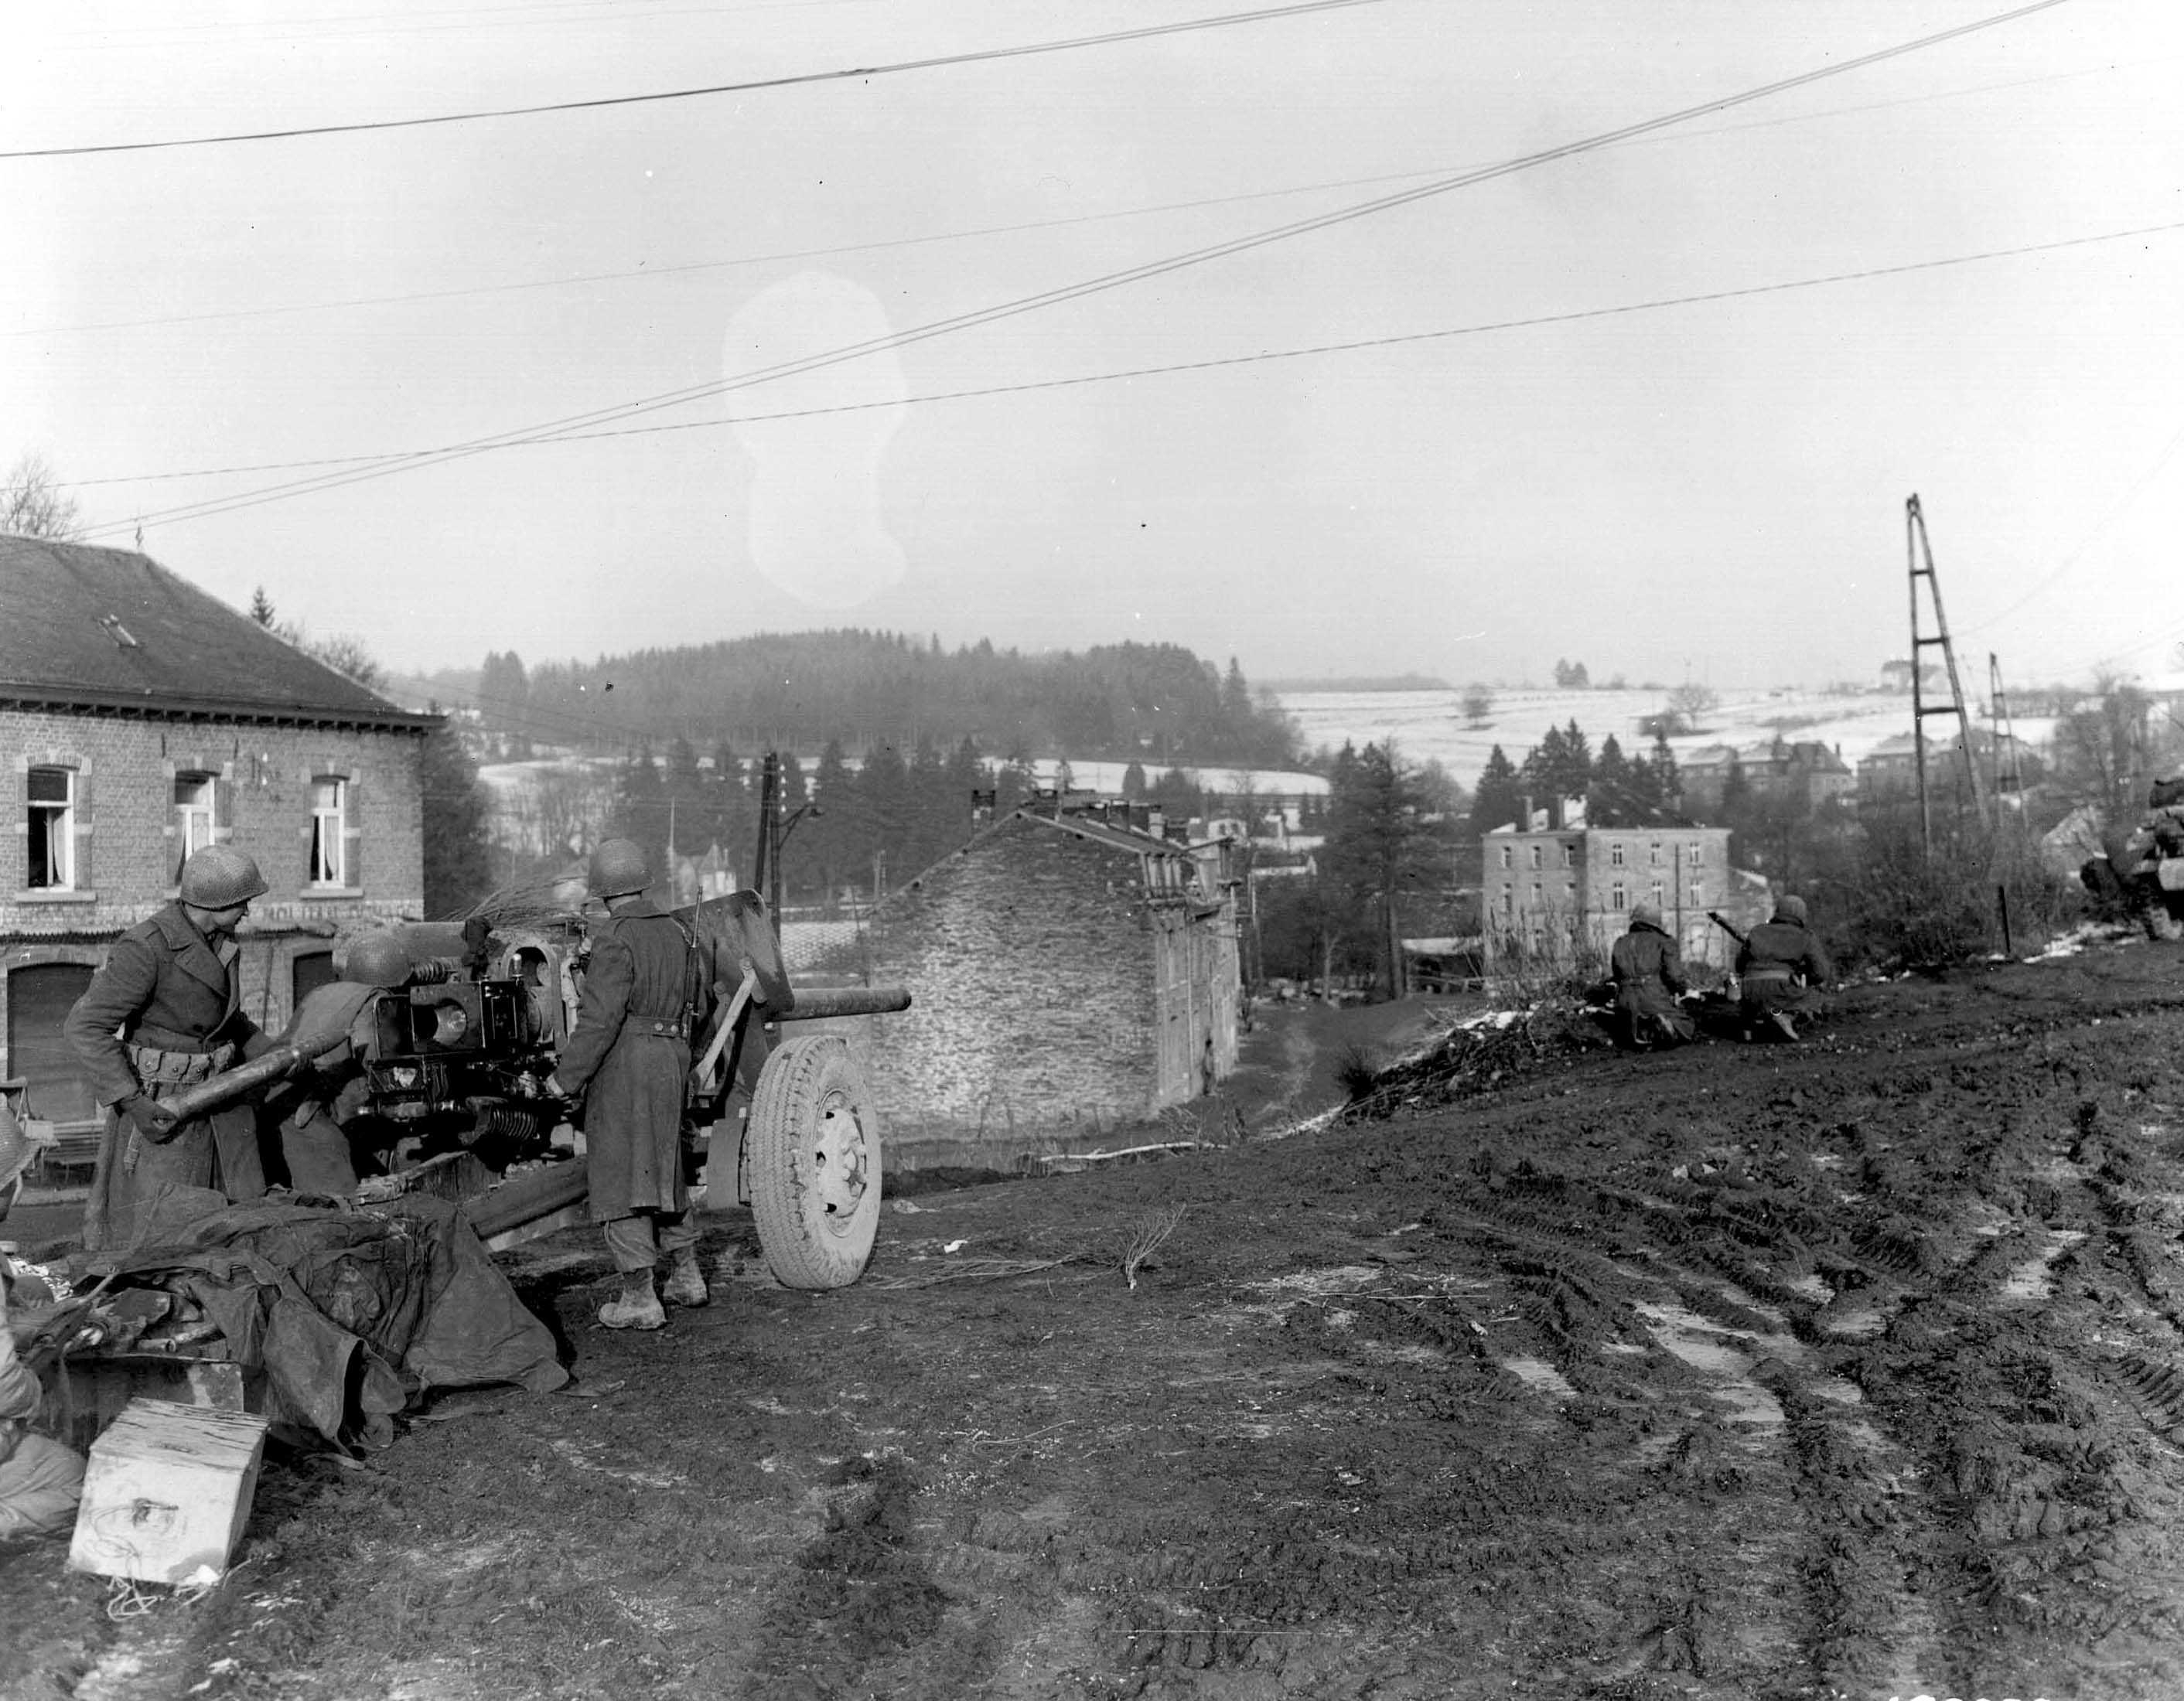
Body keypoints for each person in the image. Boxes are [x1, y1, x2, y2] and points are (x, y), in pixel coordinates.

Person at [65, 844, 284, 1249]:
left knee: (232, 1230)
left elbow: (226, 1022)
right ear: (216, 903)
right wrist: (133, 1103)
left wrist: (276, 1056)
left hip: (221, 1106)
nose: (248, 912)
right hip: (163, 1110)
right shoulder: (146, 947)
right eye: (243, 903)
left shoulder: (220, 941)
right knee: (160, 1241)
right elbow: (86, 1027)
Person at [545, 839, 712, 1331]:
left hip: (627, 1063)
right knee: (667, 1167)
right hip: (672, 1058)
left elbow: (599, 1020)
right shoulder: (681, 932)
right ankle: (687, 1277)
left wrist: (564, 1079)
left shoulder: (614, 937)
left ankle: (640, 1297)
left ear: (602, 892)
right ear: (642, 881)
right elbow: (702, 1005)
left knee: (622, 1175)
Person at [1735, 894, 1832, 1041]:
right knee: (1816, 999)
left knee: (1760, 1000)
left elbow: (1739, 965)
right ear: (1802, 915)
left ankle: (1749, 1026)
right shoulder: (1805, 936)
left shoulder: (1757, 931)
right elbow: (1821, 973)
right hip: (1779, 987)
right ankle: (1785, 1016)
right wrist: (1801, 976)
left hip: (1749, 990)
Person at [1609, 902, 1694, 1049]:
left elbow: (1616, 976)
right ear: (1656, 922)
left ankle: (1639, 1030)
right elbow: (1675, 976)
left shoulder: (1620, 943)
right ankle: (1663, 1028)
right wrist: (1682, 991)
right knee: (1686, 1023)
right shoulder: (1665, 942)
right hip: (1653, 996)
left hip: (1625, 1001)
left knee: (1630, 1019)